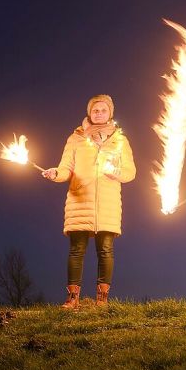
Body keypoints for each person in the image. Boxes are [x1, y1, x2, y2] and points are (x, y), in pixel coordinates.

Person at [43, 94, 136, 309]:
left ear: (110, 113)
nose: (99, 113)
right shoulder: (76, 138)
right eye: (95, 110)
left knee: (106, 250)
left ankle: (102, 299)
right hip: (79, 200)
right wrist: (55, 173)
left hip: (108, 203)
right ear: (89, 113)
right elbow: (66, 168)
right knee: (77, 250)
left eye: (103, 110)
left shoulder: (120, 140)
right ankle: (72, 298)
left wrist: (116, 173)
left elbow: (130, 172)